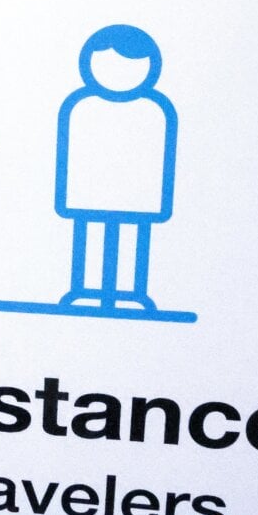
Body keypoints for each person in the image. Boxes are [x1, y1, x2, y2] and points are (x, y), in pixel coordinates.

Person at [55, 25, 178, 313]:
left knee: (134, 242)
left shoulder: (154, 108)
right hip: (87, 190)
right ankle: (83, 289)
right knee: (88, 238)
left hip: (138, 194)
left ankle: (133, 293)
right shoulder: (82, 105)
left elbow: (157, 152)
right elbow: (74, 149)